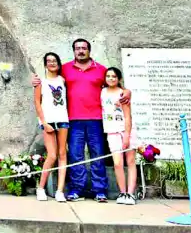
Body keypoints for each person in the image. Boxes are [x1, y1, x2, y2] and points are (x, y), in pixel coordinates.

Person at [30, 39, 131, 203]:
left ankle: (100, 191)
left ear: (89, 50)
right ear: (73, 51)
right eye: (77, 48)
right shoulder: (65, 70)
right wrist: (35, 80)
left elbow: (115, 83)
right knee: (75, 156)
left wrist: (127, 91)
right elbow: (50, 77)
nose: (81, 51)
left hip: (96, 119)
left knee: (97, 155)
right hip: (73, 119)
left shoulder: (101, 70)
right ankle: (76, 190)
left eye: (84, 48)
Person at [34, 52, 68, 202]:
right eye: (49, 61)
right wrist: (44, 122)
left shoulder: (63, 80)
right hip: (48, 121)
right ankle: (40, 188)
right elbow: (37, 103)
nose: (52, 63)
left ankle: (60, 190)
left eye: (54, 60)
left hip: (63, 120)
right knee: (52, 155)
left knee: (62, 154)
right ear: (45, 64)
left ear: (58, 63)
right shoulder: (40, 82)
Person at [103, 67, 138, 205]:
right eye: (108, 76)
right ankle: (122, 192)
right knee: (117, 163)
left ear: (119, 79)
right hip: (111, 131)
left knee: (130, 161)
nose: (111, 78)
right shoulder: (102, 92)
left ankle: (130, 193)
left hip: (126, 130)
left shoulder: (123, 94)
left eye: (114, 76)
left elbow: (128, 117)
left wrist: (127, 136)